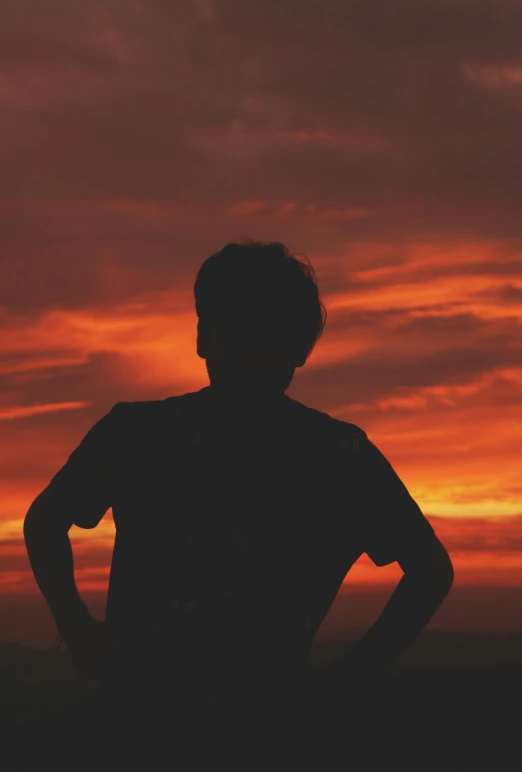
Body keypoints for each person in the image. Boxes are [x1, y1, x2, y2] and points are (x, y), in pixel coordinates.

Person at [23, 240, 454, 769]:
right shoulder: (335, 454)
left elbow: (432, 571)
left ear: (300, 348)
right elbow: (44, 520)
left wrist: (79, 631)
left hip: (222, 728)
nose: (252, 358)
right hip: (180, 726)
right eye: (239, 336)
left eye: (269, 339)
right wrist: (76, 629)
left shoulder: (145, 434)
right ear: (206, 337)